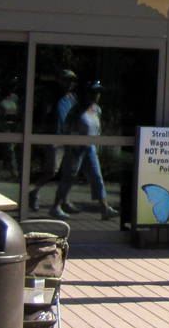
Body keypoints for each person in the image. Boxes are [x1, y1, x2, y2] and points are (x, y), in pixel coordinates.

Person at [52, 81, 115, 219]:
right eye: (94, 92)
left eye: (98, 92)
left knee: (97, 176)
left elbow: (97, 129)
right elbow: (67, 127)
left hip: (90, 147)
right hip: (77, 147)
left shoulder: (97, 109)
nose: (96, 95)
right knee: (70, 176)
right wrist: (72, 143)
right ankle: (56, 206)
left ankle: (104, 207)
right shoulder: (76, 109)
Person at [27, 69, 79, 211]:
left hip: (68, 137)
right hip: (54, 137)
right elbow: (43, 115)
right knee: (52, 171)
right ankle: (34, 193)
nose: (70, 83)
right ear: (60, 80)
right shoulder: (51, 96)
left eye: (72, 80)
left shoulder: (73, 98)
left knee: (69, 172)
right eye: (67, 80)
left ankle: (64, 200)